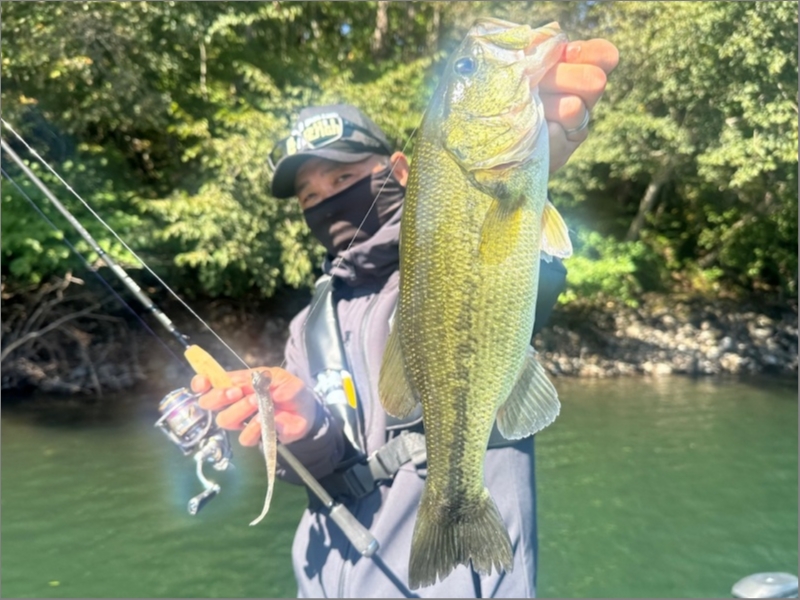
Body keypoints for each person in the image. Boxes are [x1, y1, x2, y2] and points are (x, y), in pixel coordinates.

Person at [193, 37, 619, 598]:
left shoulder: (430, 258)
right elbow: (321, 466)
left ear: (398, 170)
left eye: (342, 179)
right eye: (309, 196)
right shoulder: (310, 325)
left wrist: (533, 162)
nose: (327, 201)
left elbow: (517, 269)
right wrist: (303, 428)